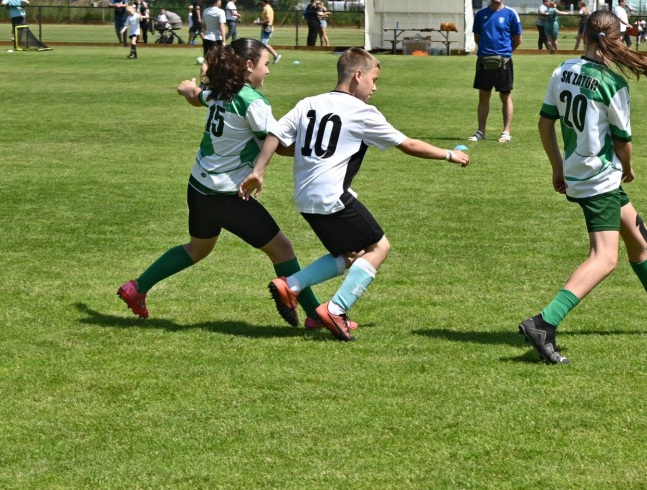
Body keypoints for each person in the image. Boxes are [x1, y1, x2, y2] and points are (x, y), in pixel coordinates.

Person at [238, 47, 470, 340]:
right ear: (358, 75)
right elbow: (408, 144)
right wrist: (449, 154)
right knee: (379, 247)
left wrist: (259, 170)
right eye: (374, 80)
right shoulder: (361, 112)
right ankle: (336, 310)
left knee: (351, 253)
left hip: (305, 198)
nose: (375, 88)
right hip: (331, 196)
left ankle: (291, 285)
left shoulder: (308, 103)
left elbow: (275, 134)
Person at [518, 10, 647, 364]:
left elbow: (545, 124)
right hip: (599, 178)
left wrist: (558, 168)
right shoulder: (612, 84)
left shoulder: (562, 71)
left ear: (585, 35)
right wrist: (629, 168)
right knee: (604, 258)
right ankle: (544, 323)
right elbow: (623, 142)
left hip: (578, 173)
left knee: (637, 235)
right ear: (616, 39)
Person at [116, 38, 323, 324]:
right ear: (249, 66)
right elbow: (276, 144)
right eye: (265, 64)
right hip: (225, 195)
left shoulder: (219, 90)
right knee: (282, 250)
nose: (268, 70)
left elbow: (194, 95)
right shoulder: (252, 101)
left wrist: (186, 88)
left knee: (197, 248)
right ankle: (316, 314)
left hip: (199, 188)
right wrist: (317, 150)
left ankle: (137, 288)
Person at [469, 0, 522, 144]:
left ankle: (506, 132)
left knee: (505, 96)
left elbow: (517, 39)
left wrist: (505, 53)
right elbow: (477, 37)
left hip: (504, 61)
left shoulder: (511, 14)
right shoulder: (480, 14)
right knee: (483, 96)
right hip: (484, 61)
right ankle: (481, 131)